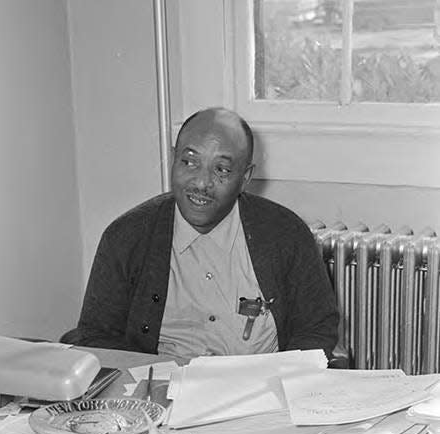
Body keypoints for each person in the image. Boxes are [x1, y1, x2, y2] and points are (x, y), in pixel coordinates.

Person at [61, 107, 338, 359]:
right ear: (173, 160)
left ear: (245, 178)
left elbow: (317, 328)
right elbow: (97, 336)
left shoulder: (286, 235)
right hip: (161, 396)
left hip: (256, 394)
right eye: (189, 162)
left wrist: (282, 382)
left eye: (222, 169)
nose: (202, 183)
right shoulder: (126, 237)